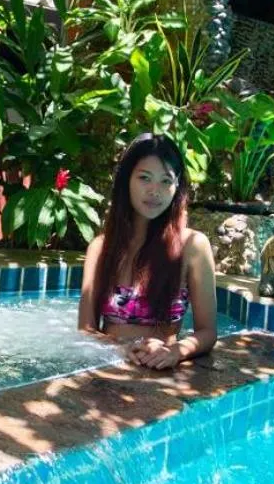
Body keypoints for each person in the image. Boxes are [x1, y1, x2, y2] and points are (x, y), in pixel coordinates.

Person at [78, 133, 218, 370]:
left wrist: (175, 351)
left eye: (166, 181)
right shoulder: (100, 248)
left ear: (177, 187)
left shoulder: (194, 246)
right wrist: (119, 347)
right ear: (126, 181)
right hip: (109, 368)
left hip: (162, 369)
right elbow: (85, 331)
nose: (155, 191)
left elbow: (207, 332)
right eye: (145, 178)